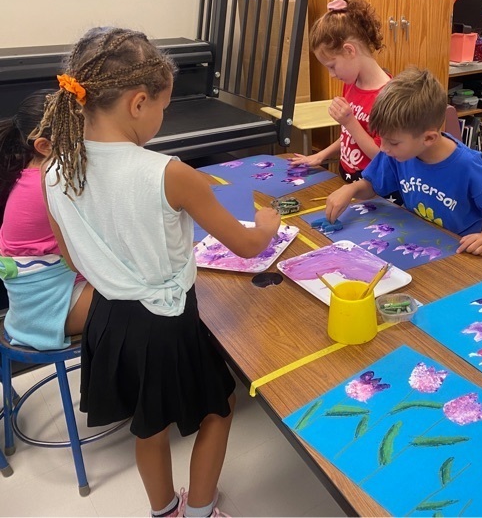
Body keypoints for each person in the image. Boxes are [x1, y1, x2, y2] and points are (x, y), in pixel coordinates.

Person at [41, 27, 281, 517]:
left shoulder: (55, 170)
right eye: (163, 108)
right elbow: (247, 247)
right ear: (138, 102)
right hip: (164, 323)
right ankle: (201, 510)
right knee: (219, 409)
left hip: (107, 320)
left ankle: (164, 510)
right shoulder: (168, 172)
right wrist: (266, 225)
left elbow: (71, 260)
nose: (161, 118)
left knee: (147, 426)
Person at [325, 67, 482, 257]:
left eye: (393, 142)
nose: (383, 148)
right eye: (381, 139)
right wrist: (351, 189)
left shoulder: (469, 166)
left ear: (429, 138)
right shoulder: (396, 154)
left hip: (461, 250)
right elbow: (372, 185)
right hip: (420, 241)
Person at [0, 90, 93, 350]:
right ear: (44, 146)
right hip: (51, 310)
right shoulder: (52, 182)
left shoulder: (33, 172)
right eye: (84, 136)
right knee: (150, 296)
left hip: (38, 305)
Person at [289, 0, 391, 182]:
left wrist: (350, 122)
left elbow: (383, 157)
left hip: (372, 186)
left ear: (350, 50)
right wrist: (321, 156)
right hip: (346, 175)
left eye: (332, 66)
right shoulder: (351, 85)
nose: (331, 75)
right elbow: (349, 135)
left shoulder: (389, 98)